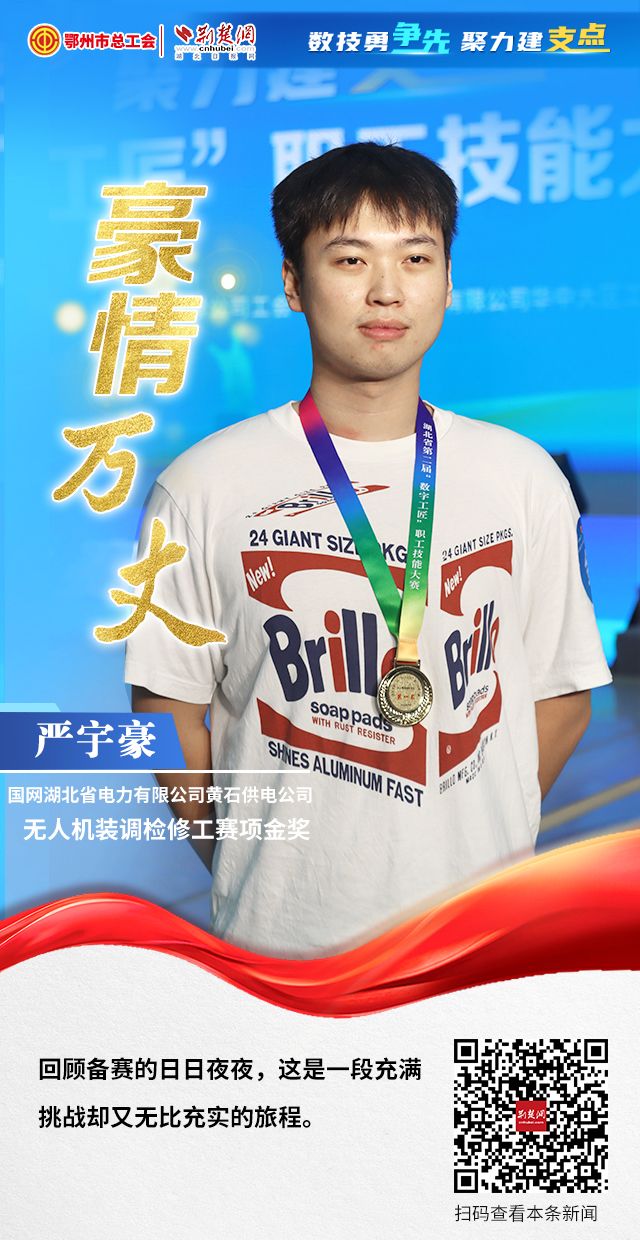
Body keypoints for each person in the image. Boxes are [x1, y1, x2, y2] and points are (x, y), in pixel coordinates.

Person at [125, 142, 611, 959]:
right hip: (280, 953)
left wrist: (482, 843)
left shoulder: (523, 477)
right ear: (293, 282)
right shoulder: (202, 487)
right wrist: (248, 866)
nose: (387, 289)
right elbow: (168, 709)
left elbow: (561, 695)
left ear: (447, 282)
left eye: (416, 258)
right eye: (350, 259)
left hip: (481, 943)